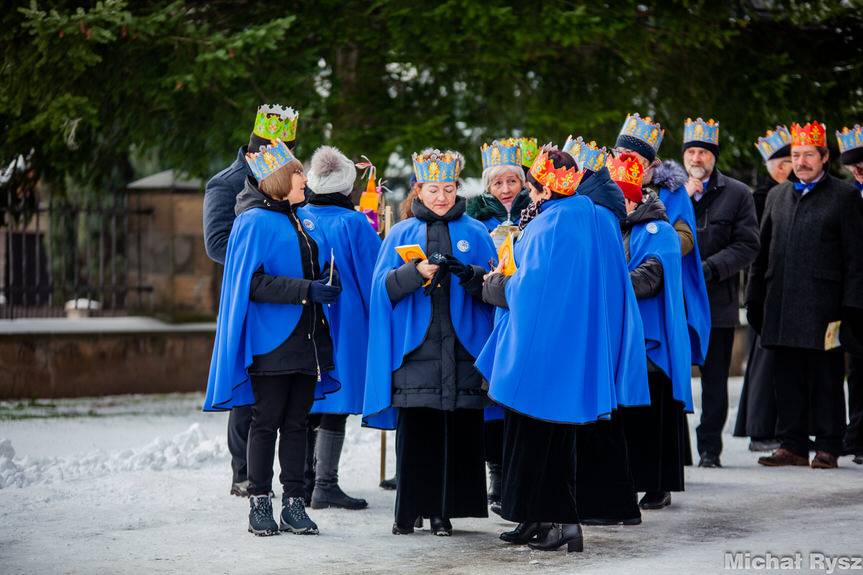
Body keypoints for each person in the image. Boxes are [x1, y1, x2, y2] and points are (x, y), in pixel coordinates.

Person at [476, 147, 636, 553]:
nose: (529, 196)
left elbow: (531, 289)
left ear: (545, 190)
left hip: (542, 350)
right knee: (555, 436)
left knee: (536, 435)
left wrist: (496, 285)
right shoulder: (593, 216)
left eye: (532, 189)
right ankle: (542, 518)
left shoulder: (551, 224)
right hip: (575, 346)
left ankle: (556, 521)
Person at [203, 139, 341, 536]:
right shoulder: (252, 221)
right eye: (298, 172)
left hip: (308, 336)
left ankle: (294, 503)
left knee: (298, 424)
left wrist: (327, 281)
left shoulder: (305, 218)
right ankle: (259, 501)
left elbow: (315, 266)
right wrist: (306, 289)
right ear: (281, 179)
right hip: (271, 340)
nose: (305, 178)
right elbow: (250, 282)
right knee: (265, 423)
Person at [362, 149, 496, 537]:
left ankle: (443, 511)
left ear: (457, 188)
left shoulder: (476, 232)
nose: (442, 197)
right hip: (415, 351)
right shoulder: (401, 233)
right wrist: (413, 272)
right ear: (418, 190)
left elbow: (494, 285)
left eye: (449, 189)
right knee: (417, 433)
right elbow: (380, 289)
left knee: (456, 431)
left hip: (462, 349)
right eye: (434, 189)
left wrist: (469, 274)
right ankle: (408, 511)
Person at [748, 121, 863, 469]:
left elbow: (855, 258)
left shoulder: (843, 197)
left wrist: (852, 306)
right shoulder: (777, 196)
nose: (800, 162)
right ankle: (793, 445)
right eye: (796, 155)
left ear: (824, 157)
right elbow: (762, 253)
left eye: (808, 155)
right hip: (781, 303)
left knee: (826, 378)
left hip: (825, 307)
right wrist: (755, 298)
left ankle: (828, 445)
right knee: (787, 378)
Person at [202, 104, 301, 497]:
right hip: (250, 299)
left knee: (288, 394)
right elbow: (216, 244)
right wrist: (261, 257)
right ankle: (243, 472)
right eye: (284, 149)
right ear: (260, 149)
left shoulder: (292, 180)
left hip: (288, 297)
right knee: (249, 387)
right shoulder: (225, 184)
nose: (290, 157)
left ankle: (298, 475)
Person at [562, 137, 649, 524]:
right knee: (601, 414)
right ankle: (614, 503)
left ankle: (609, 504)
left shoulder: (590, 212)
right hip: (601, 320)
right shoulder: (599, 207)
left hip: (593, 323)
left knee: (597, 416)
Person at [297, 146, 382, 509]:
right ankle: (325, 483)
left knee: (307, 400)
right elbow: (375, 277)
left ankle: (303, 481)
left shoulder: (298, 216)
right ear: (346, 186)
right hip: (344, 322)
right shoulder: (353, 223)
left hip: (303, 319)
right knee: (335, 402)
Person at [610, 152, 693, 511]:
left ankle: (658, 482)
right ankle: (625, 481)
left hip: (651, 339)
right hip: (620, 335)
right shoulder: (610, 226)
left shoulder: (660, 230)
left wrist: (608, 282)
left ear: (633, 198)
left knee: (652, 412)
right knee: (625, 414)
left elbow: (651, 277)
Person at [682, 118, 759, 468]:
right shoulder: (670, 192)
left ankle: (710, 448)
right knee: (671, 378)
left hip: (717, 302)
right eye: (691, 152)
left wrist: (710, 268)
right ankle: (676, 450)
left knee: (714, 380)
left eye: (703, 152)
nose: (696, 158)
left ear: (714, 156)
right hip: (677, 303)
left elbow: (748, 245)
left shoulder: (737, 193)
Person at [616, 113, 711, 370]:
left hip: (656, 287)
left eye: (631, 156)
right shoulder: (609, 189)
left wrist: (653, 245)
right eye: (620, 153)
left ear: (650, 164)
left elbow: (686, 237)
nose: (624, 160)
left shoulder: (672, 191)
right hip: (619, 285)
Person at [467, 139, 531, 515]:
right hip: (488, 315)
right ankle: (497, 475)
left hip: (523, 314)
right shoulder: (478, 222)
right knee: (492, 400)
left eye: (512, 181)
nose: (506, 189)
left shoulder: (534, 215)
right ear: (488, 187)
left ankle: (517, 474)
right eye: (498, 183)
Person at [734, 126, 793, 452]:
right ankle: (760, 427)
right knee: (764, 362)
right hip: (767, 288)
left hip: (791, 290)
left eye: (788, 161)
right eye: (778, 163)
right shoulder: (759, 198)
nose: (785, 168)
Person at [836, 124, 863, 465]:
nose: (858, 170)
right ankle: (857, 435)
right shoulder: (846, 197)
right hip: (854, 295)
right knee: (857, 369)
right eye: (853, 166)